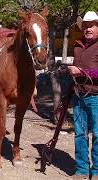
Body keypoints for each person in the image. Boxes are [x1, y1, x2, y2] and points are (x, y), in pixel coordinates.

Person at [68, 11, 98, 180]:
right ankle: (81, 170)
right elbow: (74, 71)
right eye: (85, 26)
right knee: (80, 134)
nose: (88, 29)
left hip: (96, 97)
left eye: (91, 25)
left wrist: (81, 71)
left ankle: (97, 171)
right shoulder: (77, 46)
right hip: (78, 96)